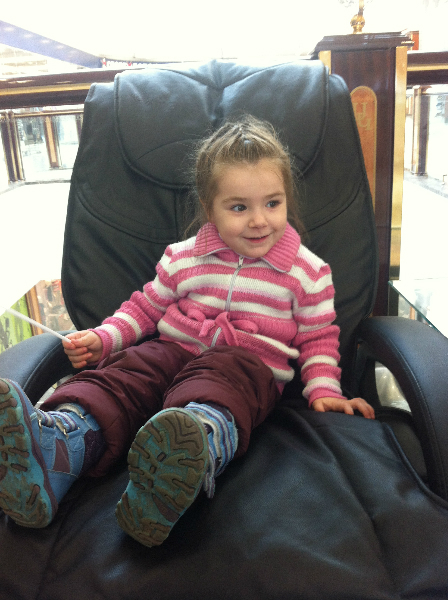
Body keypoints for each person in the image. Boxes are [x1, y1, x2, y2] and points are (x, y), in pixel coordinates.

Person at [0, 116, 374, 547]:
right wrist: (104, 338)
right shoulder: (183, 258)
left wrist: (324, 390)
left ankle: (189, 453)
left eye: (272, 203)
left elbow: (318, 339)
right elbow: (144, 308)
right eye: (239, 207)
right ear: (209, 208)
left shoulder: (307, 272)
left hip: (246, 369)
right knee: (130, 370)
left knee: (225, 376)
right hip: (173, 353)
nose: (259, 220)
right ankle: (58, 446)